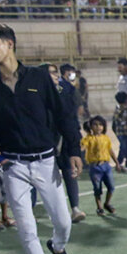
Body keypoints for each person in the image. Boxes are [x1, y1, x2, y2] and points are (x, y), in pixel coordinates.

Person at [0, 22, 81, 254]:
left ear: (10, 43)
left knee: (63, 222)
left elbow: (63, 115)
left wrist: (73, 150)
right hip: (14, 167)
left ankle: (57, 247)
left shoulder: (39, 78)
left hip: (46, 162)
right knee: (26, 227)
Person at [49, 64, 87, 222]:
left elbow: (71, 115)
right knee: (47, 179)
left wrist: (74, 143)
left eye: (55, 72)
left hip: (64, 139)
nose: (55, 76)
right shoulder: (36, 94)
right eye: (51, 73)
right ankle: (55, 211)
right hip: (46, 142)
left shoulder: (66, 90)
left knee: (69, 172)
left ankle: (75, 208)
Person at [80, 116, 118, 214]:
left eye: (100, 125)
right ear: (91, 127)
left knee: (111, 186)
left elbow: (110, 150)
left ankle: (107, 203)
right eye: (95, 125)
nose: (98, 127)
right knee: (97, 188)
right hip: (95, 167)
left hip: (106, 165)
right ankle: (99, 207)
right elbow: (83, 147)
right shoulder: (89, 138)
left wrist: (117, 163)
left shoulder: (106, 138)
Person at [111, 91, 127, 171]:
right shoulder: (122, 110)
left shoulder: (126, 109)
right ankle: (119, 163)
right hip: (121, 133)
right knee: (123, 147)